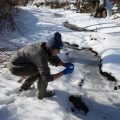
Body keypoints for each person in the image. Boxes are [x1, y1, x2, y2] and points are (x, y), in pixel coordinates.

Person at [8, 32, 74, 99]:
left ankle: (24, 87)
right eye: (58, 50)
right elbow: (47, 78)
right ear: (51, 48)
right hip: (16, 68)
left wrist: (64, 64)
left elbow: (52, 57)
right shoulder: (40, 55)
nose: (59, 52)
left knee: (38, 70)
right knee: (40, 72)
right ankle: (42, 94)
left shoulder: (45, 46)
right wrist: (64, 72)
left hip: (21, 63)